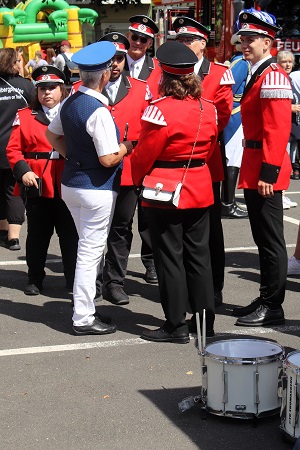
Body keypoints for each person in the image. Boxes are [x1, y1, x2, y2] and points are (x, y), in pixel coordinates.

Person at [131, 41, 218, 343]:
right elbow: (211, 147)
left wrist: (135, 178)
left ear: (164, 76)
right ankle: (205, 323)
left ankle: (176, 325)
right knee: (199, 258)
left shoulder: (158, 110)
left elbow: (144, 154)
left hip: (164, 188)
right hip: (200, 185)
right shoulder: (209, 108)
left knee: (169, 257)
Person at [46, 41, 133, 336]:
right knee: (89, 252)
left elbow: (52, 134)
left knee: (87, 248)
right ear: (106, 75)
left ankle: (84, 310)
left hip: (72, 183)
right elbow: (108, 158)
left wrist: (73, 155)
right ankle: (83, 316)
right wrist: (127, 146)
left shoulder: (70, 100)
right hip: (95, 187)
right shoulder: (98, 109)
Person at [231, 10, 293, 327]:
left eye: (251, 38)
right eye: (243, 38)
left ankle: (273, 305)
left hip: (265, 167)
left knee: (270, 240)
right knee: (262, 238)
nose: (245, 43)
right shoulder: (257, 71)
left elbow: (278, 129)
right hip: (255, 162)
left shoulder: (272, 75)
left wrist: (268, 172)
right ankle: (266, 295)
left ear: (268, 41)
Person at [173, 16, 234, 308]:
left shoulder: (219, 73)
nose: (184, 45)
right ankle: (186, 286)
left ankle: (214, 288)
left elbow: (219, 119)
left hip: (206, 158)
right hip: (172, 162)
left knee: (209, 230)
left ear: (203, 44)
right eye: (180, 40)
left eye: (189, 40)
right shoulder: (167, 70)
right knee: (179, 228)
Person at [6, 66, 78, 295]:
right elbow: (13, 150)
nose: (47, 92)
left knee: (70, 235)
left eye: (52, 88)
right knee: (37, 235)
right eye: (42, 88)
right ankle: (34, 278)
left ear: (62, 89)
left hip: (68, 181)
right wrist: (23, 171)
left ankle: (73, 279)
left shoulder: (72, 113)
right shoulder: (25, 115)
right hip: (37, 182)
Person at [97, 32, 152, 305]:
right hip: (94, 170)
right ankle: (93, 280)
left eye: (120, 58)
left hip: (128, 170)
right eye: (110, 59)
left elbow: (150, 131)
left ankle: (114, 282)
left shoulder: (142, 89)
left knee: (121, 227)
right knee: (94, 229)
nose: (115, 64)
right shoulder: (84, 87)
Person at [123, 14, 161, 284]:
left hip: (147, 147)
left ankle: (150, 262)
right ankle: (116, 266)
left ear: (150, 43)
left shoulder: (158, 68)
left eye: (143, 39)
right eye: (134, 36)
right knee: (120, 214)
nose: (137, 42)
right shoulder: (113, 62)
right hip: (118, 148)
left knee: (149, 212)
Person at [0, 48, 35, 249]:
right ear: (13, 63)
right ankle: (13, 237)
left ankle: (2, 228)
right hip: (15, 146)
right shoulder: (26, 86)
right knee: (13, 191)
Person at [222, 33, 250, 219]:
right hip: (235, 115)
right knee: (233, 160)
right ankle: (228, 204)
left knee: (233, 160)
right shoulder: (242, 62)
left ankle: (227, 202)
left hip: (237, 113)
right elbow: (229, 89)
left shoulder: (239, 61)